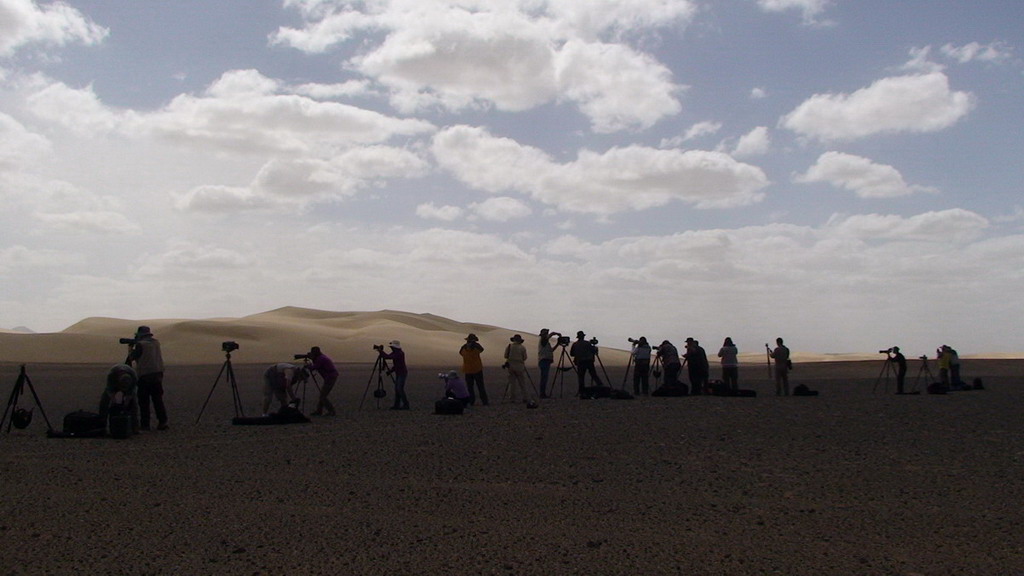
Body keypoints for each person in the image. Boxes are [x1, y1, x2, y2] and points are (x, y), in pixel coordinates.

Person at [129, 326, 168, 431]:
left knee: (144, 401)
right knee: (158, 400)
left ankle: (145, 424)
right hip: (158, 374)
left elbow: (131, 358)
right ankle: (163, 421)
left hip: (145, 375)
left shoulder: (140, 345)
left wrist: (130, 348)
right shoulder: (156, 343)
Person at [99, 363, 140, 434]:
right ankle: (102, 426)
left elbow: (131, 392)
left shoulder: (134, 376)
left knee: (134, 404)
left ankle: (134, 427)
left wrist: (126, 402)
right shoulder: (112, 375)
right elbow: (110, 391)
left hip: (129, 385)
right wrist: (114, 401)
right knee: (104, 402)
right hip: (114, 384)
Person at [504, 334, 536, 406]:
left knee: (512, 383)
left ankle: (512, 398)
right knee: (522, 383)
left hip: (511, 366)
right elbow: (524, 357)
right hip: (520, 366)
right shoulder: (522, 348)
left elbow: (505, 356)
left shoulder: (509, 347)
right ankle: (525, 397)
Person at [307, 346, 339, 416]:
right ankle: (319, 411)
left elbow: (314, 367)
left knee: (322, 396)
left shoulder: (320, 359)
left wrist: (308, 365)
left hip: (330, 377)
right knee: (322, 394)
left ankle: (331, 411)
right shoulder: (321, 357)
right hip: (330, 377)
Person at [570, 331, 603, 396]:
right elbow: (593, 351)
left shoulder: (575, 344)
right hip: (589, 361)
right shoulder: (587, 343)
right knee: (593, 374)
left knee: (581, 377)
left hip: (580, 362)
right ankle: (600, 386)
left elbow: (572, 354)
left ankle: (581, 391)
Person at [379, 340, 410, 410]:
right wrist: (390, 371)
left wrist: (381, 351)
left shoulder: (399, 353)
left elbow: (387, 357)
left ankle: (406, 404)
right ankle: (397, 405)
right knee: (397, 389)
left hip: (402, 373)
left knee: (399, 389)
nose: (391, 348)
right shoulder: (396, 353)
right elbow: (396, 364)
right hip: (399, 373)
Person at [459, 333, 488, 406]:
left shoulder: (463, 347)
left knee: (470, 387)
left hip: (467, 369)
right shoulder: (477, 346)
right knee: (480, 386)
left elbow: (461, 353)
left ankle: (471, 401)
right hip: (477, 368)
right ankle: (484, 401)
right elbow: (482, 350)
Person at [537, 329, 557, 398]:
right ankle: (542, 394)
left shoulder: (545, 343)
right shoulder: (543, 341)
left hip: (546, 361)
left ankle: (543, 393)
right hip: (544, 361)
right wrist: (554, 333)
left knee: (544, 377)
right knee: (544, 378)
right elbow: (548, 337)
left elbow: (551, 350)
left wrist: (557, 344)